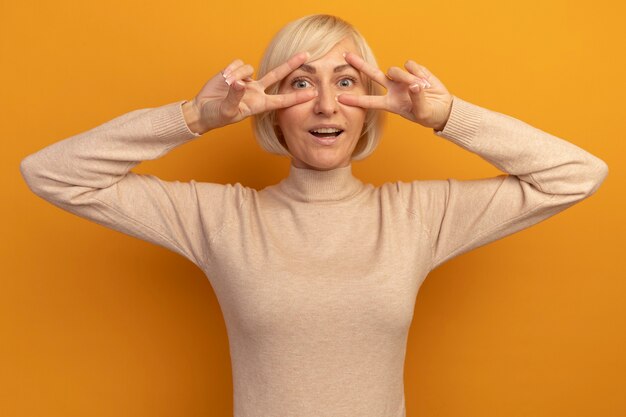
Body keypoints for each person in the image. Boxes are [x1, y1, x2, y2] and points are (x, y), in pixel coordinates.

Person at [20, 13, 608, 417]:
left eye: (346, 82)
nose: (326, 104)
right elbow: (51, 172)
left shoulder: (416, 215)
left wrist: (447, 115)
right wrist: (196, 116)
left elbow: (577, 174)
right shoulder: (219, 217)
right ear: (273, 110)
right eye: (302, 83)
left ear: (370, 106)